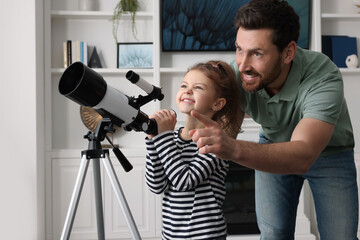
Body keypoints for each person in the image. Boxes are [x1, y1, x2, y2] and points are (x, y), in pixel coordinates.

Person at [189, 0, 359, 239]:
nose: (243, 64)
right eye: (239, 49)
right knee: (273, 233)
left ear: (288, 52)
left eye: (257, 53)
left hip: (329, 154)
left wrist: (233, 148)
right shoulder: (238, 74)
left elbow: (303, 154)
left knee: (340, 236)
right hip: (272, 143)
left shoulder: (323, 75)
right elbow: (223, 130)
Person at [145, 60, 244, 240]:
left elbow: (184, 181)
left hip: (205, 235)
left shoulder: (215, 141)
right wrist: (153, 141)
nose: (188, 90)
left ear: (217, 104)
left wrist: (163, 138)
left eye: (198, 87)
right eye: (184, 85)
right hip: (171, 235)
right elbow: (157, 185)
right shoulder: (171, 138)